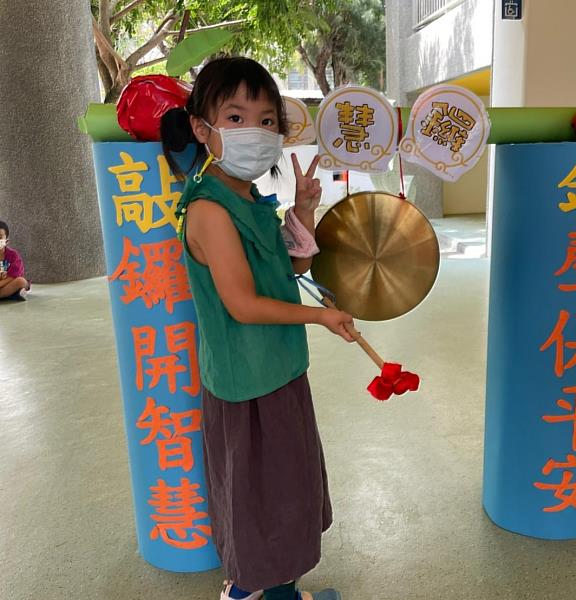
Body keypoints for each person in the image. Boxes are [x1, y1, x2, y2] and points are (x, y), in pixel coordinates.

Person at [161, 57, 354, 600]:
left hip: (280, 369)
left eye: (268, 120)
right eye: (237, 116)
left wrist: (304, 210)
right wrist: (320, 315)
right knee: (257, 499)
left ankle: (280, 590)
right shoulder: (208, 210)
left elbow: (285, 271)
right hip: (246, 382)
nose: (257, 131)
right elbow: (243, 304)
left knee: (288, 491)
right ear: (203, 129)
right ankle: (245, 591)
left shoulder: (248, 196)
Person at [0, 220, 30, 301]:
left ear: (6, 241)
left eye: (0, 237)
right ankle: (14, 295)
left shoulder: (13, 255)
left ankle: (7, 294)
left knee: (21, 281)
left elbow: (13, 276)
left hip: (10, 282)